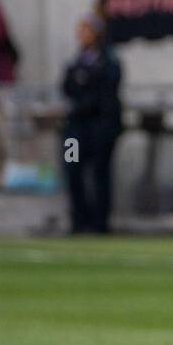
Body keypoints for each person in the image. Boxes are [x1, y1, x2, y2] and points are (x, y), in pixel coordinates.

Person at [61, 14, 122, 235]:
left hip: (100, 127)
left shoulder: (108, 60)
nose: (82, 36)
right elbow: (67, 87)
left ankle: (100, 223)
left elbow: (103, 92)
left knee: (100, 173)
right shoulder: (77, 60)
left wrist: (84, 88)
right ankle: (79, 220)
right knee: (72, 169)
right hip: (76, 128)